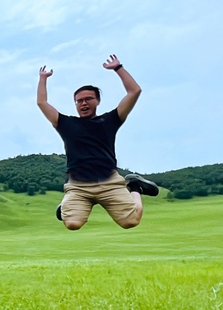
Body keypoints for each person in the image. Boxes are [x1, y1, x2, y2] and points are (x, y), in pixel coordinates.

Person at [37, 55, 159, 230]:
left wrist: (118, 68)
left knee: (130, 222)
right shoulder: (65, 123)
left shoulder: (110, 120)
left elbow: (134, 91)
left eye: (88, 99)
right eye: (79, 101)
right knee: (72, 224)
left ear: (97, 101)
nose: (83, 103)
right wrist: (43, 79)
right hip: (78, 187)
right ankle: (67, 207)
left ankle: (134, 186)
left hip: (109, 183)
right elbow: (42, 102)